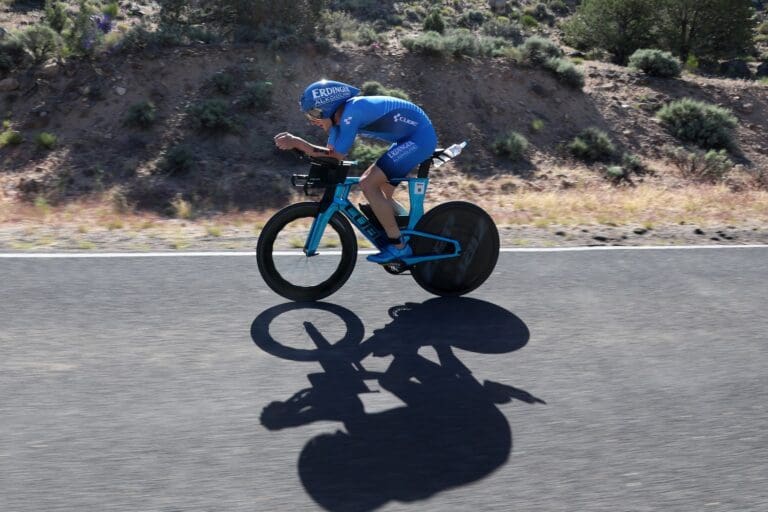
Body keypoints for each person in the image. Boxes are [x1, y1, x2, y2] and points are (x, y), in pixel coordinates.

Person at [274, 80, 438, 264]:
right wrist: (301, 148)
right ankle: (414, 234)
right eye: (309, 116)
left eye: (314, 113)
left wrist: (298, 143)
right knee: (381, 192)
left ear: (327, 106)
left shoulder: (351, 113)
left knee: (368, 183)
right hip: (409, 138)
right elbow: (330, 156)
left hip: (419, 138)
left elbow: (335, 156)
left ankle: (399, 247)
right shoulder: (339, 122)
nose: (313, 120)